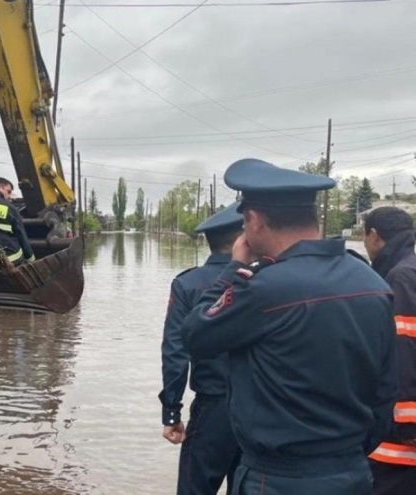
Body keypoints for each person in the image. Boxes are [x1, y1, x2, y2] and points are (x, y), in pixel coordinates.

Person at [181, 158, 398, 495]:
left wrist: (232, 269)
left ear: (253, 221)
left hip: (279, 478)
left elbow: (196, 335)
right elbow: (386, 391)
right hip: (352, 473)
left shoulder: (263, 289)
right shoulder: (373, 282)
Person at [159, 203, 243, 495]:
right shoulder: (267, 280)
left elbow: (175, 351)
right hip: (262, 409)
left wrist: (171, 410)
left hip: (213, 408)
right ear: (243, 238)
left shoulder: (188, 284)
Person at [362, 207, 416, 494]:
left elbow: (403, 346)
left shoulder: (399, 277)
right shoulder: (409, 268)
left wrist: (406, 423)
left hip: (401, 434)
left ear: (373, 236)